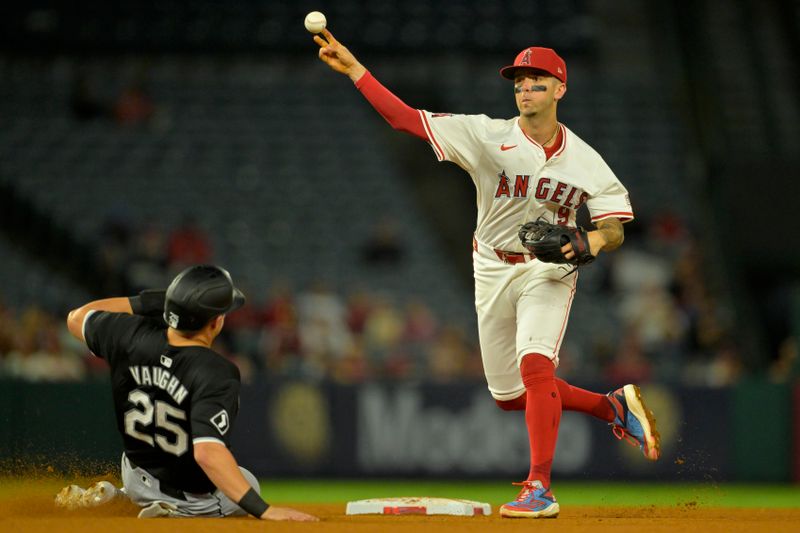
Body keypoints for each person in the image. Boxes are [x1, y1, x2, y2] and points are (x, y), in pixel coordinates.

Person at [314, 32, 661, 518]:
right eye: (519, 81)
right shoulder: (485, 135)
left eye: (536, 81)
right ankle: (613, 408)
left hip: (549, 270)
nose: (525, 89)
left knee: (536, 366)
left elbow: (615, 228)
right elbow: (404, 118)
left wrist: (591, 242)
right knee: (508, 397)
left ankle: (539, 486)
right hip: (491, 265)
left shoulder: (587, 162)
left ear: (560, 89)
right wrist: (355, 70)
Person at [59, 264, 317, 521]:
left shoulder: (128, 333)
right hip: (186, 495)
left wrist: (148, 302)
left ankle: (125, 497)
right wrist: (265, 510)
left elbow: (77, 317)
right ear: (216, 322)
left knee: (222, 476)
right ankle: (173, 512)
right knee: (248, 482)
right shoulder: (216, 371)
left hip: (135, 472)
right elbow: (207, 453)